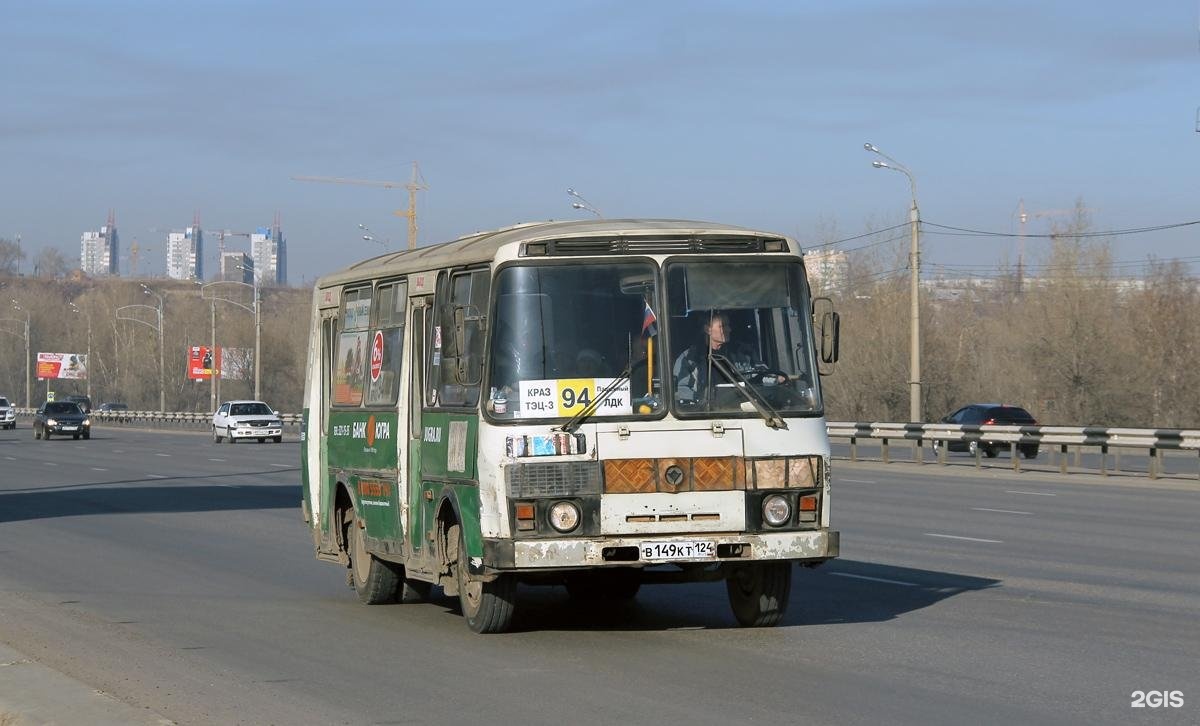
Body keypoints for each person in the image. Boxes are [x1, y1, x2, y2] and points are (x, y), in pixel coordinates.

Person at [673, 312, 786, 402]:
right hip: (705, 413)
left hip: (744, 410)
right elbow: (681, 391)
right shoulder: (688, 359)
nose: (729, 329)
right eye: (723, 326)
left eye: (728, 325)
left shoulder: (744, 352)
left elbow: (761, 374)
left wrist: (774, 378)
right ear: (708, 330)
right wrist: (702, 400)